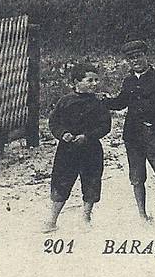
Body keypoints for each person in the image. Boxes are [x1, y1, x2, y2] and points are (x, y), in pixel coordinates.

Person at [103, 40, 155, 223]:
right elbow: (121, 103)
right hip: (133, 136)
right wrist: (104, 101)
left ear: (145, 56)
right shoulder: (128, 80)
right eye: (131, 58)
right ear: (127, 61)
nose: (135, 61)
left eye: (138, 56)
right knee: (137, 177)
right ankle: (142, 215)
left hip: (154, 134)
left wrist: (152, 117)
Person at [43, 62, 111, 233]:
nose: (95, 84)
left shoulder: (99, 102)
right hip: (67, 150)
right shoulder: (65, 101)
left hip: (91, 149)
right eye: (90, 80)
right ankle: (52, 220)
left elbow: (105, 126)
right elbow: (54, 122)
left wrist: (87, 136)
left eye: (96, 80)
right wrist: (62, 134)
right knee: (61, 182)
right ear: (76, 82)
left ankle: (86, 218)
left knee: (91, 182)